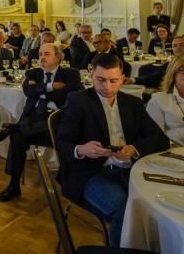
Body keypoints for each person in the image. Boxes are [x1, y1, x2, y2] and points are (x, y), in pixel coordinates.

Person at [56, 53, 169, 246]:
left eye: (113, 81)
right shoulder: (78, 100)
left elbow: (160, 140)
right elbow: (61, 142)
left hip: (130, 169)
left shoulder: (132, 103)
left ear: (122, 79)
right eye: (101, 80)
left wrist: (134, 149)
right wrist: (81, 149)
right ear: (91, 76)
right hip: (89, 173)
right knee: (124, 209)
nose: (107, 87)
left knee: (159, 205)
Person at [0, 43, 82, 202]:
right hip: (35, 118)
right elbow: (28, 90)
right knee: (18, 139)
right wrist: (52, 86)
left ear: (57, 57)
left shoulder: (71, 74)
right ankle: (13, 186)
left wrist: (41, 91)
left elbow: (72, 96)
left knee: (19, 132)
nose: (42, 57)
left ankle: (15, 128)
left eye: (47, 54)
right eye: (41, 54)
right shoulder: (32, 72)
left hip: (58, 122)